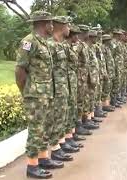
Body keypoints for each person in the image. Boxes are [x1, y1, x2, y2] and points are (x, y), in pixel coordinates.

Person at [15, 11, 63, 179]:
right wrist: (26, 92)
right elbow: (20, 70)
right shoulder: (29, 42)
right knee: (36, 129)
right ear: (43, 24)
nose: (52, 26)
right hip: (35, 96)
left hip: (46, 93)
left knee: (45, 127)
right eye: (50, 23)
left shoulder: (43, 42)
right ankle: (32, 166)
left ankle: (43, 158)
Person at [48, 16, 79, 164]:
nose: (69, 29)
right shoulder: (51, 44)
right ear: (61, 26)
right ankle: (55, 149)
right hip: (54, 89)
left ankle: (61, 143)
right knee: (56, 118)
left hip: (64, 86)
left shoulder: (61, 45)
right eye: (67, 26)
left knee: (63, 116)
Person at [101, 34, 116, 111]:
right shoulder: (103, 49)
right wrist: (105, 72)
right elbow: (103, 61)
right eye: (109, 40)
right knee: (105, 88)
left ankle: (107, 104)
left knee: (108, 87)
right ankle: (105, 105)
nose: (111, 41)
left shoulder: (108, 48)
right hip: (106, 71)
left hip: (110, 71)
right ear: (106, 41)